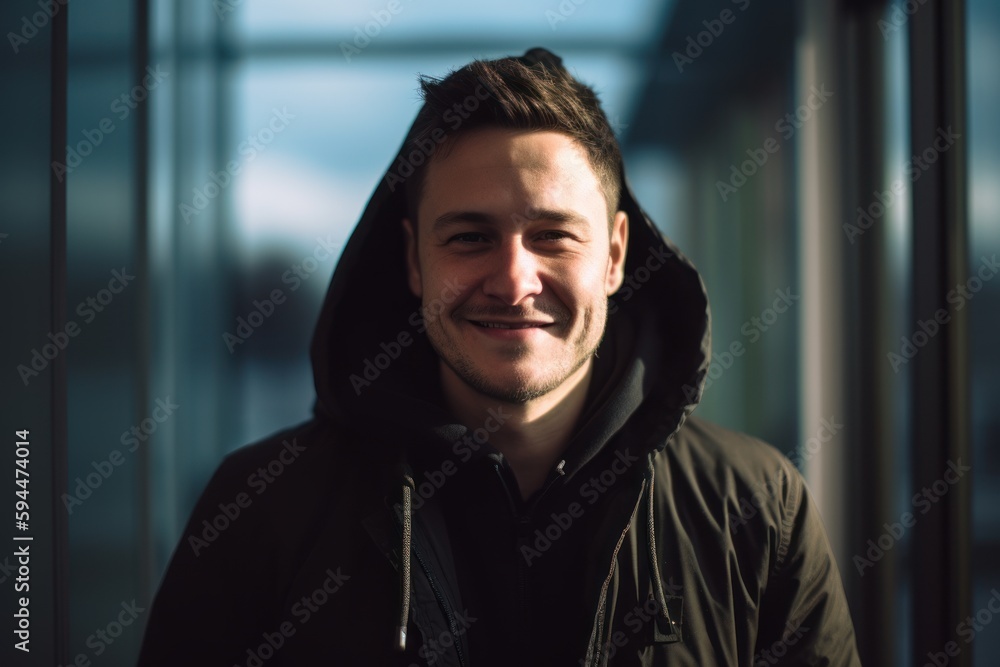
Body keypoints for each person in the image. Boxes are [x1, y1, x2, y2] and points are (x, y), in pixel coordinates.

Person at [137, 47, 861, 666]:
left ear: (613, 255)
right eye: (469, 237)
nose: (515, 281)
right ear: (414, 262)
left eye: (552, 236)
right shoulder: (259, 508)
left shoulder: (756, 508)